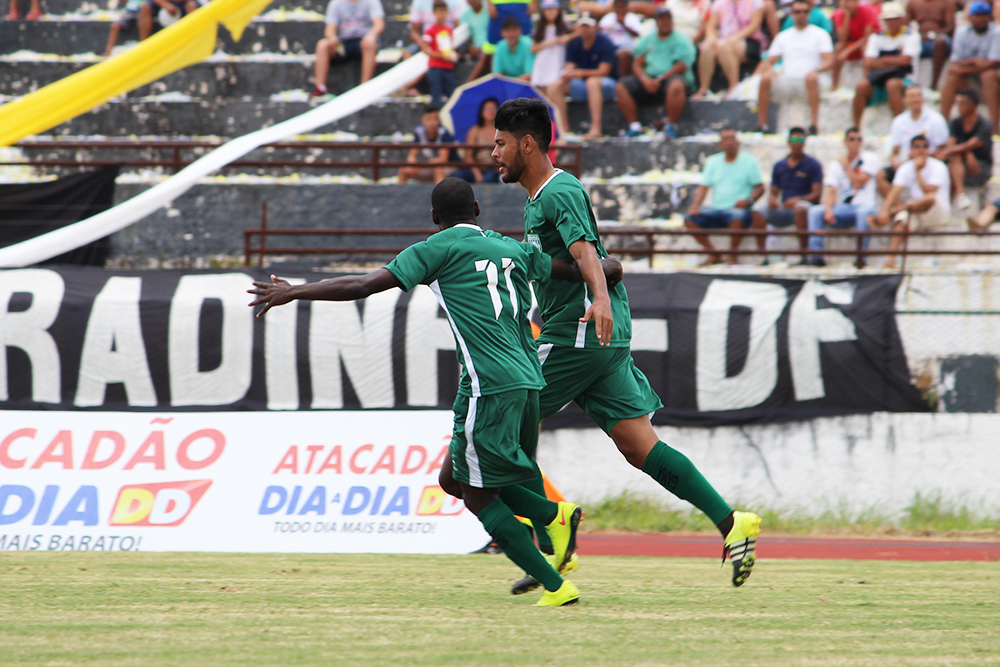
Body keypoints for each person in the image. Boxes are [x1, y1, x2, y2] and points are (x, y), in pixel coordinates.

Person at [248, 177, 616, 607]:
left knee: (480, 496)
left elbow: (362, 286)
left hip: (491, 385)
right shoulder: (510, 247)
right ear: (477, 210)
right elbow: (572, 269)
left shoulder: (435, 248)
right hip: (530, 380)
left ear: (434, 218)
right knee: (452, 480)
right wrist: (609, 271)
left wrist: (295, 291)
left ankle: (556, 584)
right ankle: (554, 515)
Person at [489, 97, 762, 592]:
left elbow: (586, 249)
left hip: (579, 331)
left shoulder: (559, 189)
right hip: (594, 339)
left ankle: (552, 540)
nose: (494, 152)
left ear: (527, 143)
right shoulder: (537, 201)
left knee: (505, 421)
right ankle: (731, 523)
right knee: (640, 447)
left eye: (501, 142)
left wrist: (599, 299)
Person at [685, 127, 767, 265]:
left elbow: (760, 188)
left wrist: (748, 201)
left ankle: (732, 255)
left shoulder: (750, 161)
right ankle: (712, 253)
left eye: (732, 138)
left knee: (738, 216)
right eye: (725, 139)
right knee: (689, 218)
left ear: (738, 142)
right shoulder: (713, 162)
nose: (729, 142)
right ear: (720, 144)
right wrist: (696, 205)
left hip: (739, 210)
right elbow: (703, 187)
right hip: (716, 209)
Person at [871, 134, 951, 268]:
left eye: (925, 146)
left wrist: (918, 172)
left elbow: (929, 192)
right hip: (915, 210)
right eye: (917, 146)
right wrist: (884, 211)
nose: (921, 150)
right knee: (902, 219)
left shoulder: (939, 167)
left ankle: (895, 211)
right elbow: (894, 191)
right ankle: (890, 259)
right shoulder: (906, 167)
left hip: (937, 212)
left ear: (929, 150)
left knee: (930, 198)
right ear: (910, 150)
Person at [616, 7, 697, 138]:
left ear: (672, 21)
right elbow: (637, 62)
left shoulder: (682, 39)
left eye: (668, 19)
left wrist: (660, 78)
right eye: (661, 19)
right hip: (649, 80)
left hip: (671, 79)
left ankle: (672, 125)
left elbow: (681, 66)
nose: (665, 22)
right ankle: (634, 126)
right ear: (656, 22)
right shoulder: (648, 39)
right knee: (622, 86)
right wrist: (644, 79)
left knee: (676, 84)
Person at [756, 0, 834, 135]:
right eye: (797, 12)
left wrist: (817, 70)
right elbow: (769, 61)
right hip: (788, 80)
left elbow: (829, 60)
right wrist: (770, 71)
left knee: (811, 78)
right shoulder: (783, 36)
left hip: (812, 80)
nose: (801, 15)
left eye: (805, 11)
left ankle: (814, 125)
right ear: (792, 14)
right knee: (765, 80)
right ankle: (762, 125)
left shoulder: (820, 34)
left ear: (809, 13)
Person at [806, 127, 880, 267]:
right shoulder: (836, 165)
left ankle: (860, 257)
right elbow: (831, 190)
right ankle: (816, 257)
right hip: (844, 207)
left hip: (865, 206)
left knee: (863, 213)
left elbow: (858, 182)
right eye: (852, 139)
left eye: (859, 139)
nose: (856, 142)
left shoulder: (869, 159)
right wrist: (828, 209)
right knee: (816, 211)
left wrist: (846, 166)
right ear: (845, 142)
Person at [755, 127, 823, 263]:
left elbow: (816, 194)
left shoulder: (813, 164)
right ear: (788, 142)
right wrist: (772, 200)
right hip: (785, 207)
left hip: (804, 207)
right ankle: (764, 255)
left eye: (801, 139)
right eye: (794, 139)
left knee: (800, 208)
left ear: (805, 142)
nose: (797, 143)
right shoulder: (779, 165)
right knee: (758, 211)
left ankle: (804, 255)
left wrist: (799, 199)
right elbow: (774, 191)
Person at [851, 2, 921, 127]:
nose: (892, 22)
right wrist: (895, 60)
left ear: (901, 19)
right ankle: (856, 126)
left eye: (895, 19)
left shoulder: (911, 35)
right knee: (861, 86)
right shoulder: (877, 37)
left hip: (905, 79)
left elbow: (905, 61)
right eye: (889, 19)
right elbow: (868, 62)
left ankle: (898, 125)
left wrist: (881, 61)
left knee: (892, 84)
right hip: (880, 78)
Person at [876, 84, 949, 197]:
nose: (915, 99)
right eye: (911, 96)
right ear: (904, 100)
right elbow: (895, 151)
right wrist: (895, 161)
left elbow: (943, 150)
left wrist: (923, 158)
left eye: (918, 96)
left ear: (923, 99)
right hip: (906, 163)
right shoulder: (899, 121)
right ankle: (898, 207)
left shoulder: (936, 120)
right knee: (880, 175)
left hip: (929, 162)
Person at [938, 1, 1000, 133]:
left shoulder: (997, 32)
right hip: (971, 78)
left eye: (984, 15)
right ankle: (942, 124)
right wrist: (976, 62)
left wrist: (969, 64)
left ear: (989, 16)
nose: (981, 18)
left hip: (993, 80)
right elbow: (956, 61)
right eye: (978, 15)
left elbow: (994, 63)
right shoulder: (962, 33)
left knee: (988, 75)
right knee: (952, 76)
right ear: (970, 17)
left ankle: (994, 126)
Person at [563, 12, 620, 139]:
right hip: (582, 84)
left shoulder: (605, 42)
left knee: (593, 82)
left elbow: (604, 71)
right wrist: (569, 70)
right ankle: (563, 129)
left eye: (588, 26)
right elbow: (569, 64)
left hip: (607, 85)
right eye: (582, 26)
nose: (585, 29)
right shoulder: (574, 43)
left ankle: (596, 128)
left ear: (595, 27)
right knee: (556, 85)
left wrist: (581, 72)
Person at [693, 0, 766, 99]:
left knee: (726, 46)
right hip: (726, 40)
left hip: (749, 41)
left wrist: (736, 37)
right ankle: (704, 89)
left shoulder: (755, 2)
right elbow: (711, 26)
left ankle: (733, 88)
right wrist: (711, 38)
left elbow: (755, 25)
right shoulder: (719, 3)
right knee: (707, 47)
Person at [311, 0, 385, 96]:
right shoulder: (336, 3)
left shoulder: (372, 2)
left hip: (364, 42)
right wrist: (332, 37)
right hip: (344, 43)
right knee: (322, 44)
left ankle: (365, 88)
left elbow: (379, 24)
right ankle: (320, 87)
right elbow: (329, 29)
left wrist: (370, 35)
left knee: (370, 43)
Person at [939, 88, 993, 210]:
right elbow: (952, 145)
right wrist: (966, 154)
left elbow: (970, 145)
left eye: (961, 103)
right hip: (960, 163)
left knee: (954, 159)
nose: (958, 107)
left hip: (981, 166)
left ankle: (953, 202)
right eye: (957, 103)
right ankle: (960, 195)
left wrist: (950, 152)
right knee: (955, 159)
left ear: (972, 105)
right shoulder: (955, 122)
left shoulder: (985, 125)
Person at [531, 0, 576, 125]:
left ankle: (564, 126)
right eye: (547, 9)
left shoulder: (564, 26)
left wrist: (567, 38)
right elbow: (533, 48)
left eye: (553, 9)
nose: (550, 12)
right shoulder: (539, 28)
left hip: (557, 63)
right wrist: (549, 42)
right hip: (543, 64)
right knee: (545, 100)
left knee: (555, 94)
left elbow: (577, 33)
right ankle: (552, 128)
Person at [398, 105, 459, 183]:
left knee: (438, 169)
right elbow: (412, 154)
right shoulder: (419, 132)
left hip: (449, 166)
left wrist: (421, 165)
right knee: (403, 170)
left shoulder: (444, 133)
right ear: (423, 120)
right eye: (429, 119)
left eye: (435, 118)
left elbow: (442, 159)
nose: (433, 122)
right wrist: (411, 166)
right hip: (430, 166)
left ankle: (439, 194)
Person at [832, 0, 881, 91]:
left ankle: (867, 84)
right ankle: (834, 86)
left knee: (865, 49)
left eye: (852, 1)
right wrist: (846, 16)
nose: (850, 4)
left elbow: (867, 37)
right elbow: (842, 40)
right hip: (854, 42)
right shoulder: (838, 14)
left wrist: (847, 51)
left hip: (872, 42)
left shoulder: (868, 11)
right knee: (838, 48)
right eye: (847, 2)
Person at [907, 0, 955, 90]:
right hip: (920, 40)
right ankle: (911, 85)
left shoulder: (947, 3)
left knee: (940, 42)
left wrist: (932, 35)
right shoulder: (913, 3)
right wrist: (917, 36)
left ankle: (934, 84)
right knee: (908, 45)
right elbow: (906, 25)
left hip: (940, 39)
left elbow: (951, 28)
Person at [421, 0, 460, 104]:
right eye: (439, 12)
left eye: (444, 12)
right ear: (434, 13)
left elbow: (450, 48)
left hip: (448, 67)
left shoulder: (450, 30)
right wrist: (441, 56)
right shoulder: (430, 30)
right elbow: (425, 49)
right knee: (436, 96)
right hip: (435, 67)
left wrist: (453, 55)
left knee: (452, 97)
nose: (442, 15)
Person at [455, 98, 502, 183]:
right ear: (482, 111)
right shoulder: (475, 130)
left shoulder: (502, 130)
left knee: (490, 178)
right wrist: (476, 173)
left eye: (494, 108)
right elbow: (468, 156)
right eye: (488, 109)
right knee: (458, 176)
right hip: (476, 166)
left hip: (494, 168)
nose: (491, 111)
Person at [599, 0, 645, 80]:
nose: (620, 9)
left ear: (627, 7)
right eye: (618, 7)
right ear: (614, 8)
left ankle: (622, 81)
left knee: (623, 54)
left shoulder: (632, 17)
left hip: (627, 47)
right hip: (610, 47)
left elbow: (637, 34)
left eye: (622, 7)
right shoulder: (608, 18)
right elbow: (600, 34)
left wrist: (623, 24)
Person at [493, 14, 536, 79]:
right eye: (507, 30)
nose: (511, 34)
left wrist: (511, 84)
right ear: (502, 33)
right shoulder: (500, 47)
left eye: (514, 29)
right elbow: (497, 74)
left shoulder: (528, 45)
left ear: (520, 31)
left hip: (526, 84)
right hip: (507, 84)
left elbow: (529, 74)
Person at [461, 0, 492, 80]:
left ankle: (468, 84)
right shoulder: (465, 15)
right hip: (475, 49)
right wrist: (470, 46)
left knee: (485, 56)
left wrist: (483, 48)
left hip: (489, 47)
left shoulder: (489, 10)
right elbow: (464, 36)